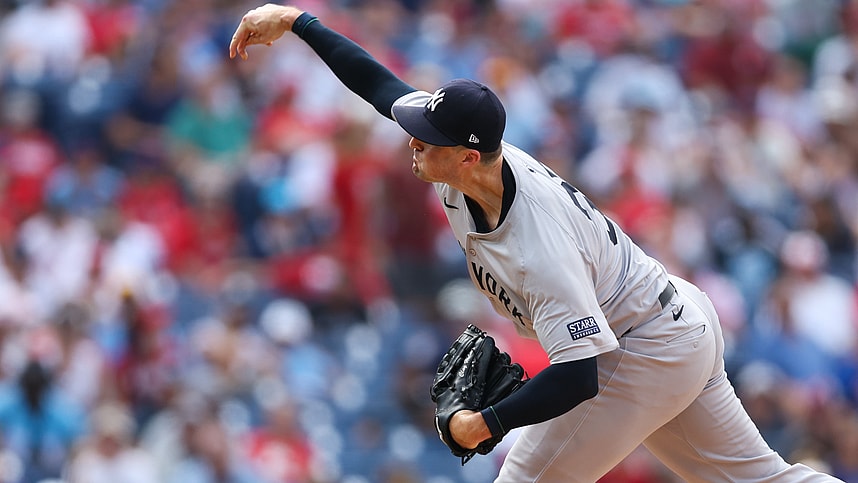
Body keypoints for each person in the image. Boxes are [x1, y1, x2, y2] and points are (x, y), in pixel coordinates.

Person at [228, 5, 845, 482]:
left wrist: (485, 422)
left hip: (640, 346)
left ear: (468, 156)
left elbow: (578, 376)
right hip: (669, 320)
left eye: (426, 138)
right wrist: (298, 22)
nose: (411, 141)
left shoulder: (534, 241)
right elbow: (381, 87)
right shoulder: (473, 164)